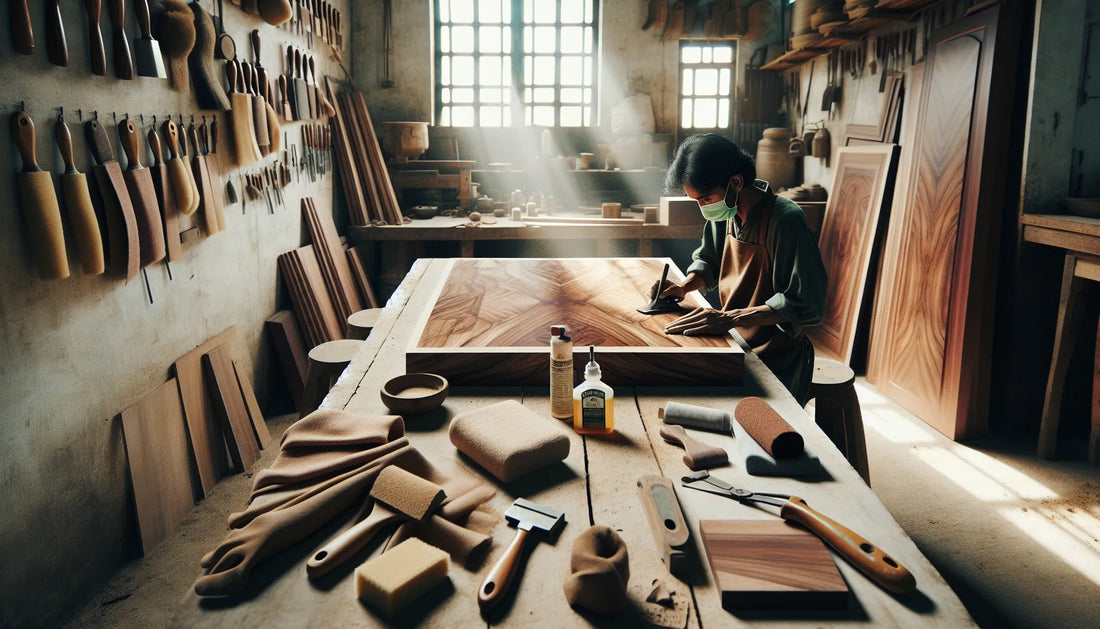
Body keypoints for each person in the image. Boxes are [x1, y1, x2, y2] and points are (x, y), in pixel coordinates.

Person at [657, 134, 827, 404]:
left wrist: (731, 318)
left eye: (705, 199)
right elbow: (709, 261)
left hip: (777, 354)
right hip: (735, 339)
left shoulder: (785, 220)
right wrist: (684, 286)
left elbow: (807, 304)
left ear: (735, 182)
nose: (703, 208)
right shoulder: (725, 211)